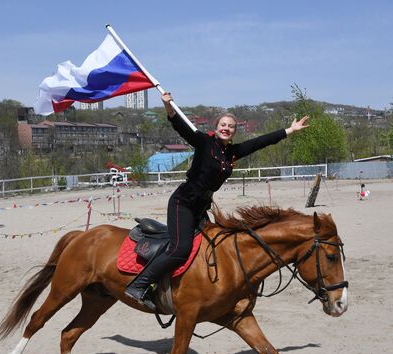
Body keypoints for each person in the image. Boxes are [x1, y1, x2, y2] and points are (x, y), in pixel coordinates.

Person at [125, 92, 310, 310]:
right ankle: (140, 285)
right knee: (180, 249)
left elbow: (261, 142)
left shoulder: (232, 152)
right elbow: (182, 127)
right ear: (217, 126)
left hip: (201, 208)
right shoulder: (204, 142)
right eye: (223, 124)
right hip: (183, 202)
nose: (227, 128)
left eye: (231, 126)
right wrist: (168, 107)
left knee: (216, 242)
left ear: (234, 131)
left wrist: (290, 130)